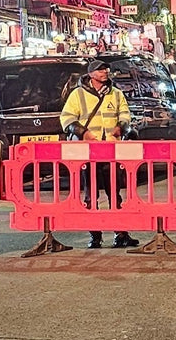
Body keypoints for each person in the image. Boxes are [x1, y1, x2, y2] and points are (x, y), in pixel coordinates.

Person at [59, 59, 139, 249]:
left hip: (111, 150)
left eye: (106, 69)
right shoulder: (77, 95)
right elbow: (67, 118)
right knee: (90, 196)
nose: (105, 72)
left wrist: (121, 127)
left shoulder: (116, 94)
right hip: (88, 152)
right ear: (91, 74)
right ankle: (95, 235)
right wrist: (84, 133)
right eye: (101, 70)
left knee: (115, 194)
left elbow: (126, 115)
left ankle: (121, 234)